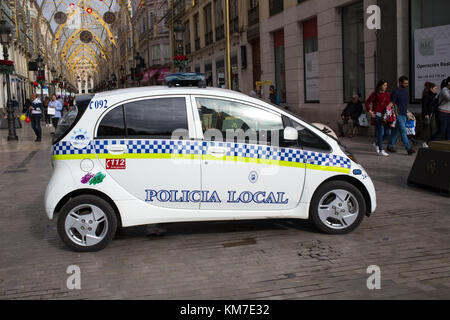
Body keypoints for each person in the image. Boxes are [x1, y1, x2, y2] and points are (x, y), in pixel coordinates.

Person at [386, 76, 415, 155]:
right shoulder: (395, 92)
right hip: (397, 115)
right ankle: (408, 148)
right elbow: (391, 103)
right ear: (400, 82)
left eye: (407, 83)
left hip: (404, 114)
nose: (406, 85)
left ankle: (390, 145)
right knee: (403, 131)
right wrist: (387, 112)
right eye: (405, 83)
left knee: (396, 131)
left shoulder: (405, 91)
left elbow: (404, 103)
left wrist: (407, 112)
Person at [365, 80, 392, 156]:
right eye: (384, 85)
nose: (385, 87)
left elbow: (390, 104)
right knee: (381, 132)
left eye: (386, 85)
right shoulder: (375, 94)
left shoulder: (387, 94)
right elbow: (367, 103)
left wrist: (390, 105)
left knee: (388, 133)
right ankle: (381, 150)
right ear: (380, 86)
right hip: (377, 116)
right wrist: (371, 112)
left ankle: (376, 143)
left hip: (386, 116)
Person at [429, 76, 450, 143]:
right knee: (441, 130)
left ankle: (447, 144)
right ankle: (428, 142)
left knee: (449, 131)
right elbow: (448, 98)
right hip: (442, 113)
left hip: (448, 113)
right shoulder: (444, 90)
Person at [421, 82, 438, 147]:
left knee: (433, 127)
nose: (436, 90)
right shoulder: (426, 95)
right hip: (427, 114)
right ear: (431, 89)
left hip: (433, 113)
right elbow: (424, 105)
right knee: (426, 128)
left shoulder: (435, 95)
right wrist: (426, 114)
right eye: (435, 88)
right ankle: (423, 141)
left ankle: (430, 141)